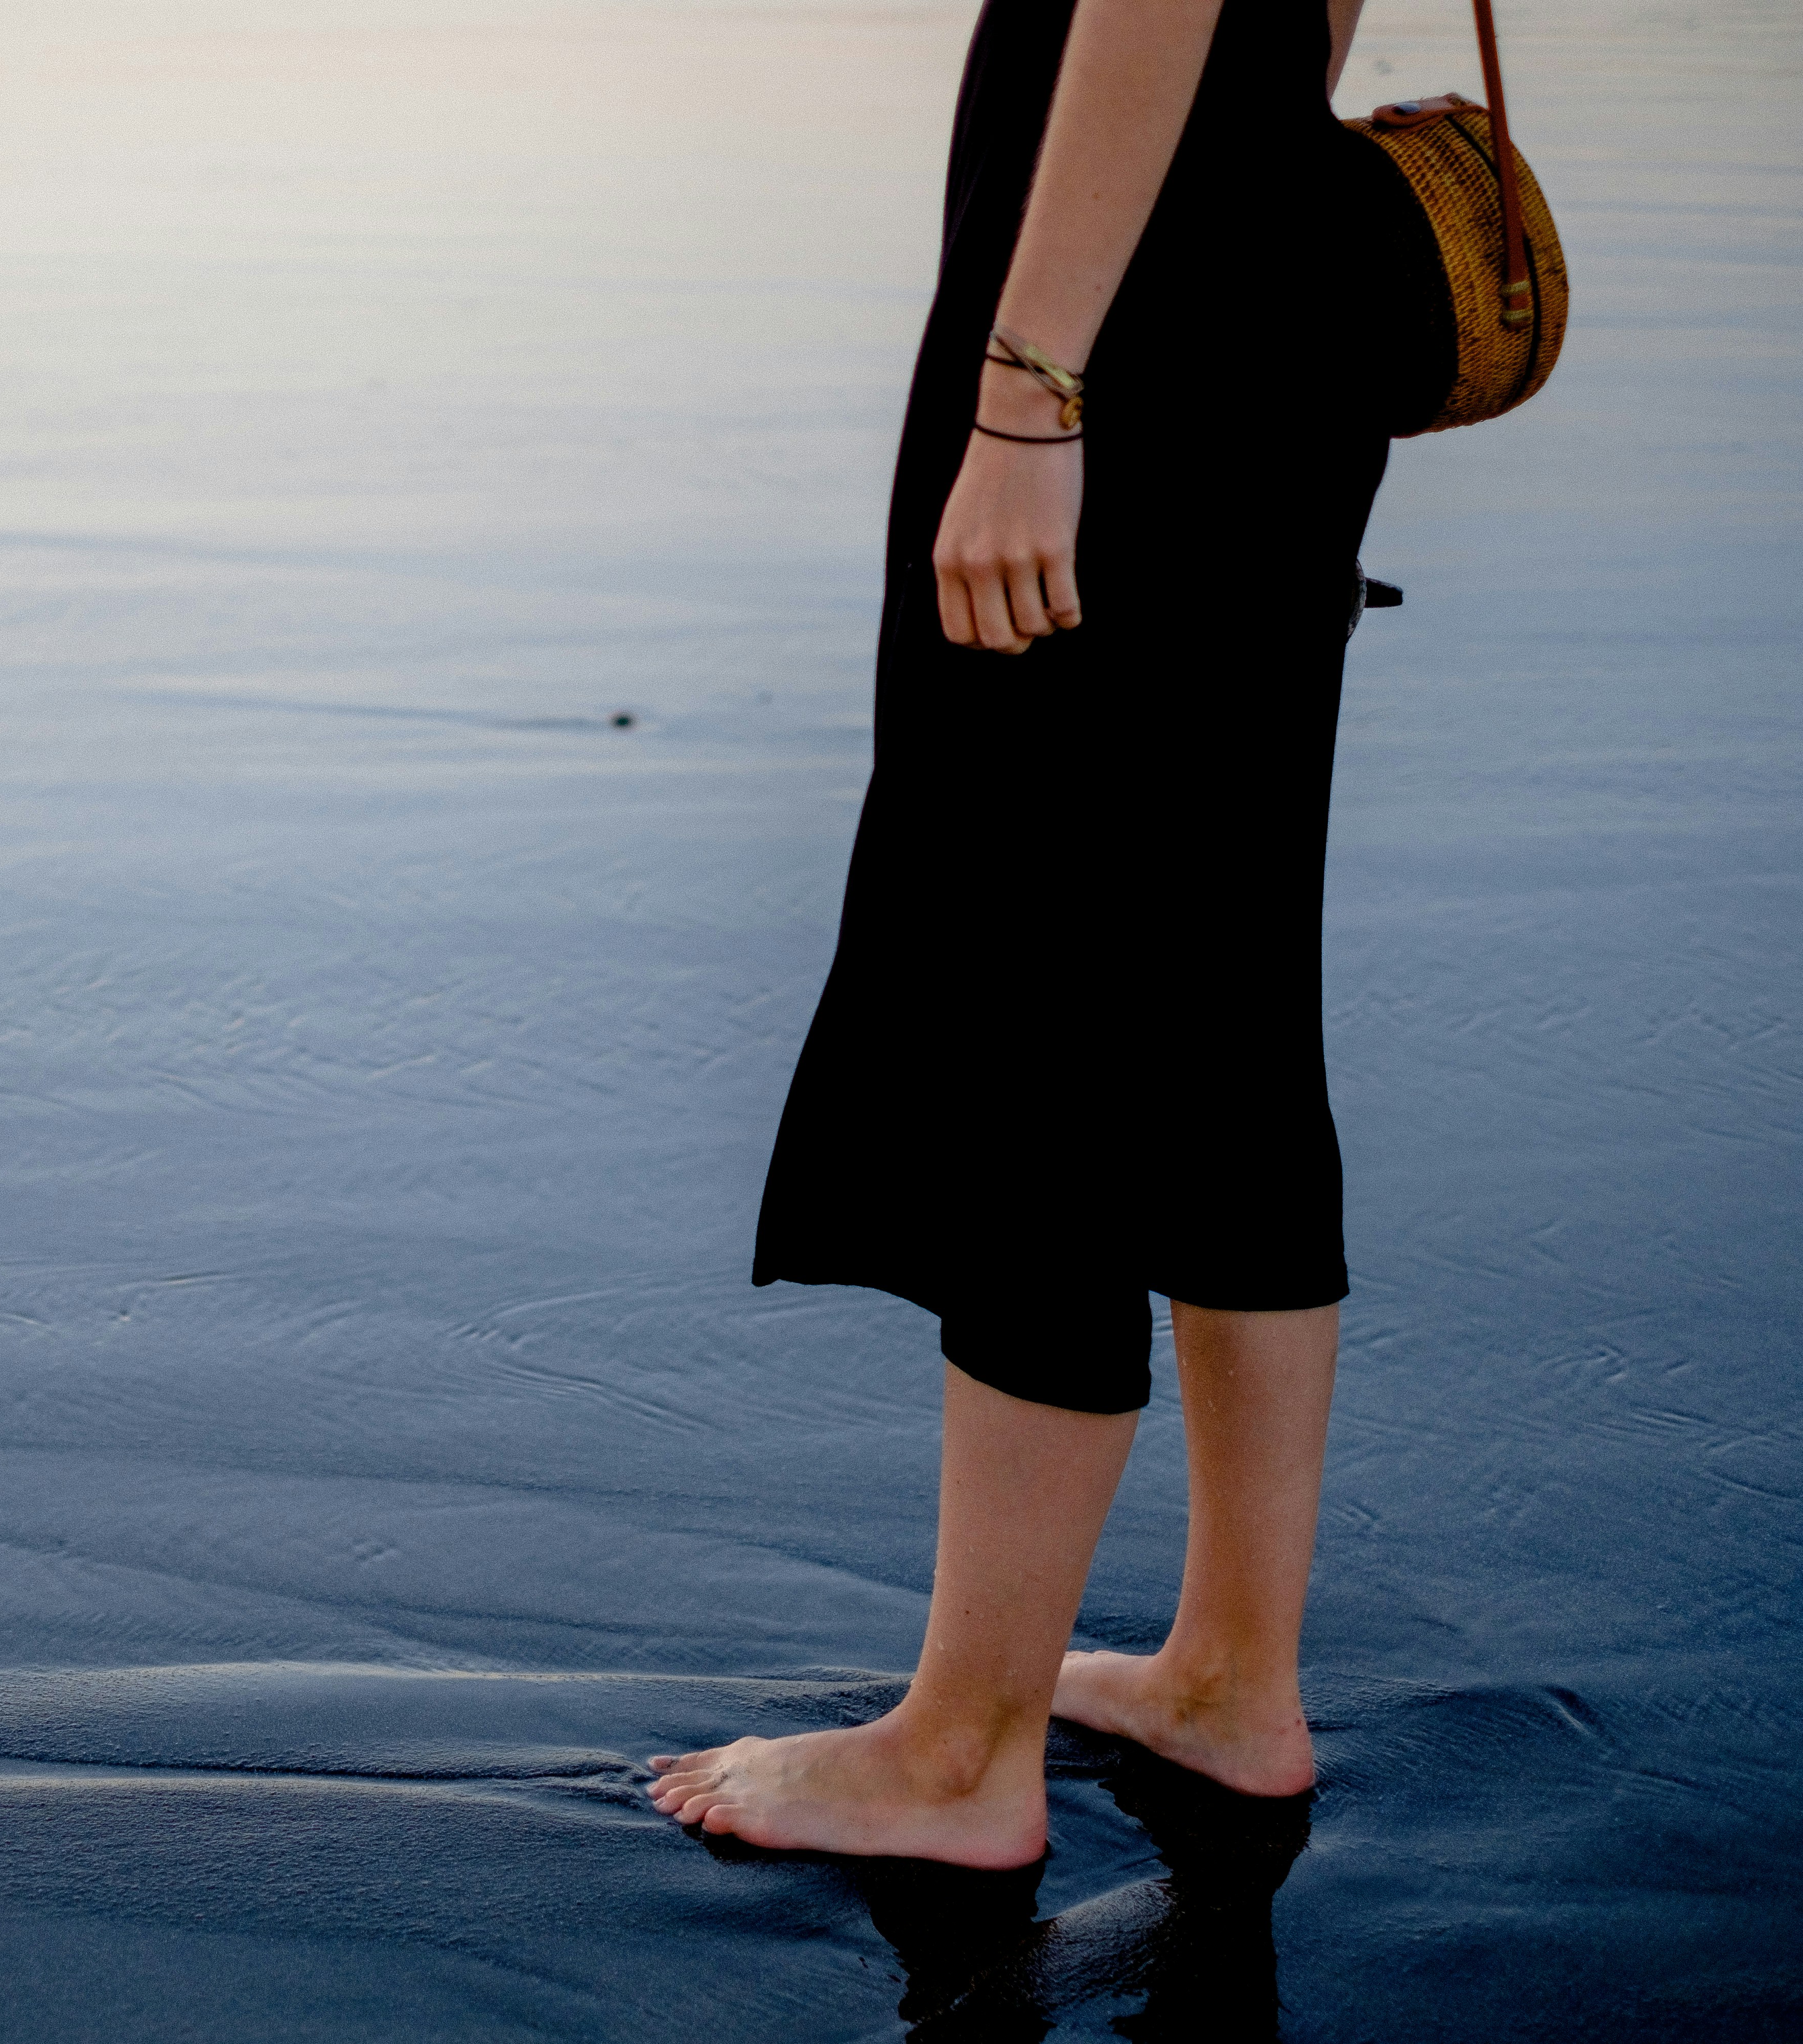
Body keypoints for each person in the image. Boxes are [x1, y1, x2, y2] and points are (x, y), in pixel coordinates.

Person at [647, 0, 1450, 1866]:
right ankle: (1233, 1677)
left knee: (1033, 991)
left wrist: (1030, 394)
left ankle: (960, 1757)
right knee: (1229, 990)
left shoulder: (1067, 368)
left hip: (1121, 345)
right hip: (1268, 305)